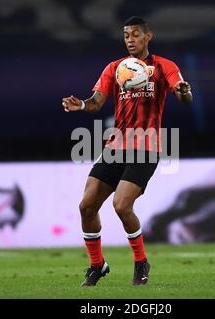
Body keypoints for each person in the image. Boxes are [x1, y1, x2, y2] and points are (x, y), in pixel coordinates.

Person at [62, 16, 192, 286]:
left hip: (146, 146)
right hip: (116, 146)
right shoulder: (116, 68)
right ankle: (97, 265)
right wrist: (82, 106)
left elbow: (183, 96)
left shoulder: (163, 67)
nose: (130, 40)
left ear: (148, 37)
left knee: (121, 205)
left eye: (135, 35)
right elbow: (97, 102)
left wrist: (183, 91)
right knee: (86, 206)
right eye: (126, 36)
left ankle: (141, 261)